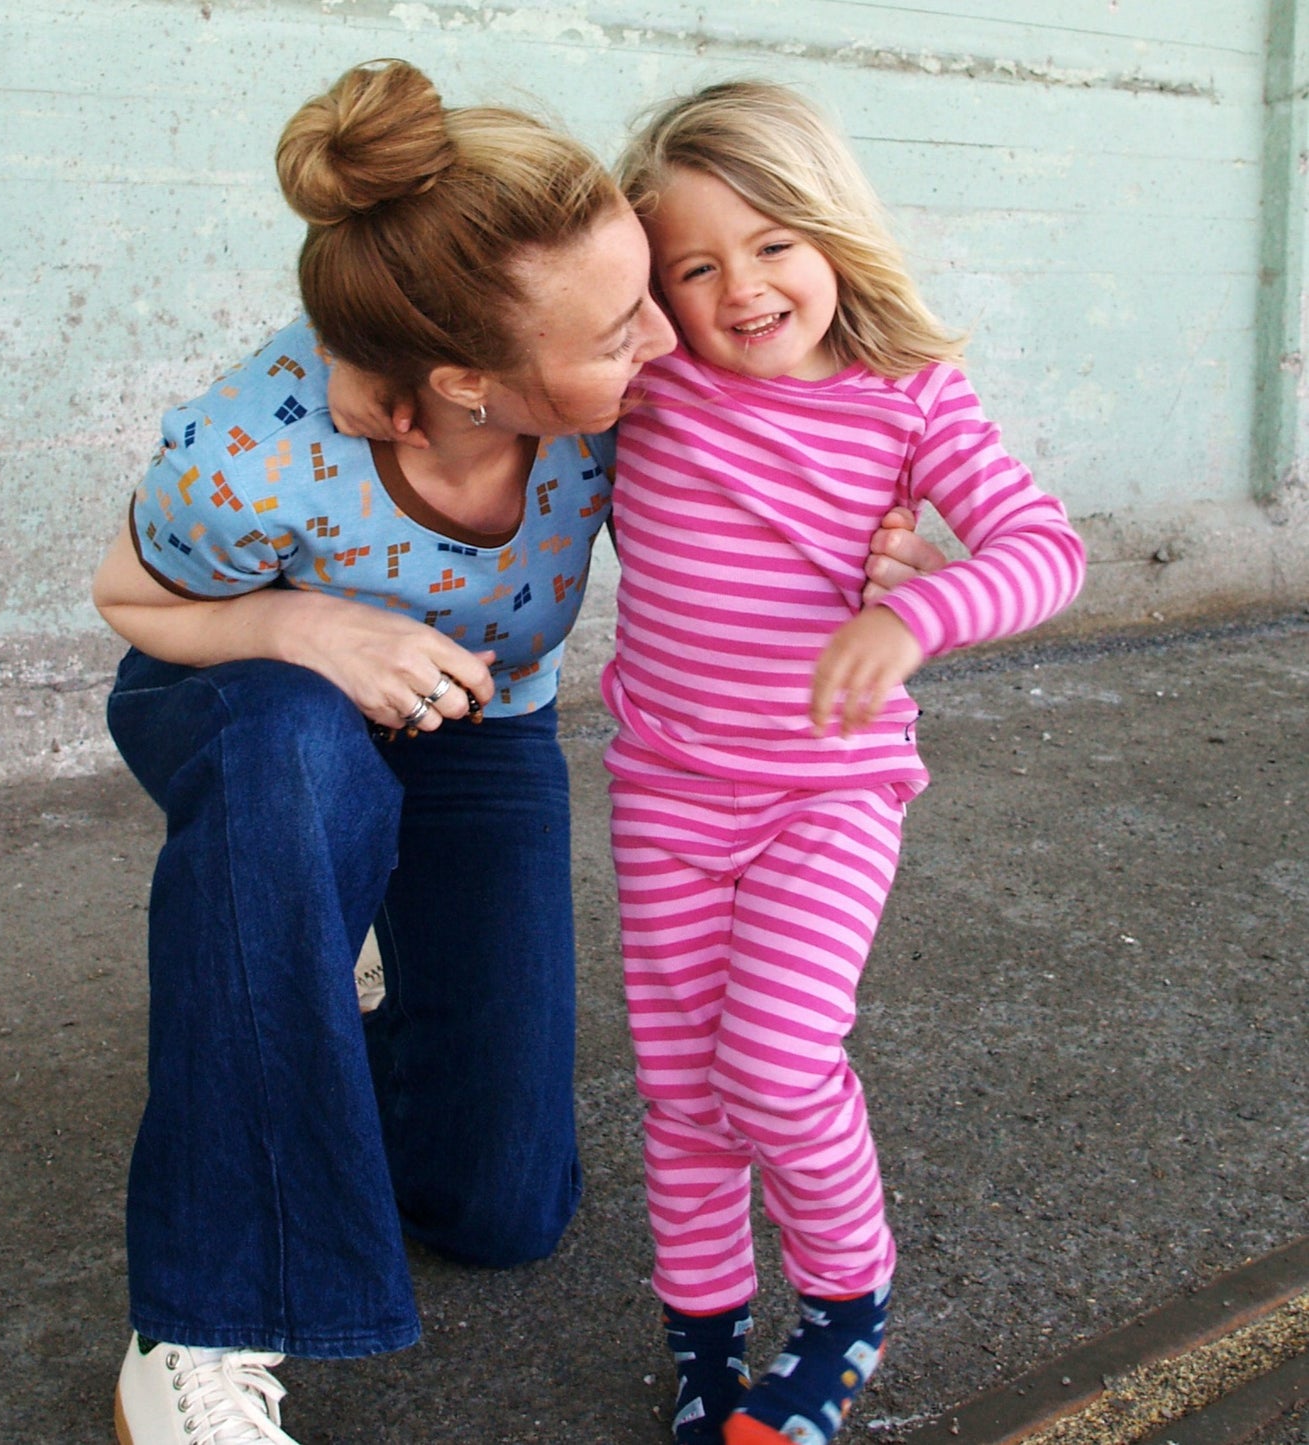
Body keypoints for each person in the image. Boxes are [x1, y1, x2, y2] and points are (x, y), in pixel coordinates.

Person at [93, 58, 946, 1445]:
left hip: (479, 724)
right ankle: (200, 1318)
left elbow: (819, 432)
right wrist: (311, 625)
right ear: (464, 383)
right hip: (252, 700)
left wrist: (885, 557)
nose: (668, 340)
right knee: (296, 765)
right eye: (625, 326)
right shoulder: (257, 451)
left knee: (500, 1206)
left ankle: (280, 992)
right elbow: (130, 605)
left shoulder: (616, 410)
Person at [598, 83, 1087, 1445]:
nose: (739, 287)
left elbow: (1045, 550)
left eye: (771, 243)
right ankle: (704, 1342)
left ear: (830, 234)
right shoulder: (649, 387)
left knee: (771, 1061)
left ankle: (843, 1300)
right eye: (693, 266)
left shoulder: (908, 395)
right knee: (681, 1087)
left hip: (829, 796)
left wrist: (912, 607)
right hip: (668, 793)